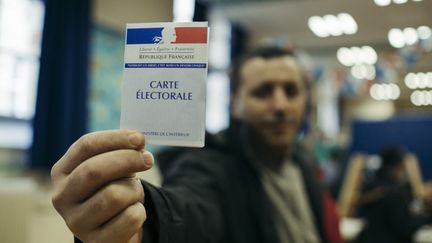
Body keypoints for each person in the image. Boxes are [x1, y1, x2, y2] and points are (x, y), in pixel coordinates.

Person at [51, 46, 343, 243]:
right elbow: (189, 208)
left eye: (291, 91)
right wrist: (139, 222)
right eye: (263, 92)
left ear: (305, 101)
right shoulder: (211, 166)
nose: (280, 105)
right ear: (235, 104)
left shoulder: (303, 162)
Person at [356, 145, 432, 243]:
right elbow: (404, 228)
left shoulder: (369, 186)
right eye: (402, 166)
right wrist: (428, 218)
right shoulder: (396, 192)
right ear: (397, 166)